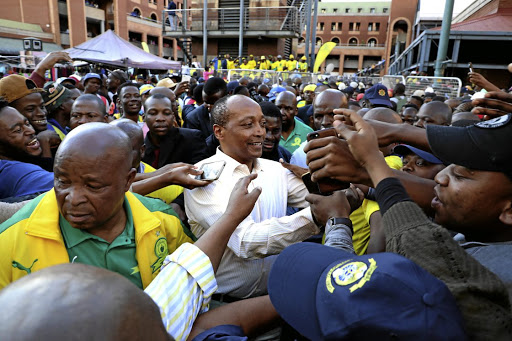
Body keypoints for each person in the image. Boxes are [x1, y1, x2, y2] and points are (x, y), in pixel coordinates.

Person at [308, 111, 512, 339]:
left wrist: (372, 167)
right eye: (449, 165)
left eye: (461, 175)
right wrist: (369, 165)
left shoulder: (501, 277)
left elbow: (421, 244)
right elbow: (447, 200)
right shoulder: (481, 226)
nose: (440, 177)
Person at [0, 123, 194, 290]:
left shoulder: (163, 222)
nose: (73, 199)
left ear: (128, 181)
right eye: (62, 182)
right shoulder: (10, 239)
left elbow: (192, 288)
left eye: (93, 186)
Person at [184, 95, 321, 300]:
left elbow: (320, 198)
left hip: (273, 300)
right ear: (219, 131)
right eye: (248, 125)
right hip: (222, 306)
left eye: (262, 124)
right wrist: (317, 217)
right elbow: (245, 241)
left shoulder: (276, 170)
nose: (260, 132)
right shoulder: (203, 177)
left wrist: (324, 181)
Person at [142, 94, 208, 168]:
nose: (160, 118)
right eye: (153, 113)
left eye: (166, 113)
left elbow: (200, 173)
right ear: (144, 117)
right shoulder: (138, 147)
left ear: (173, 117)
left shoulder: (193, 139)